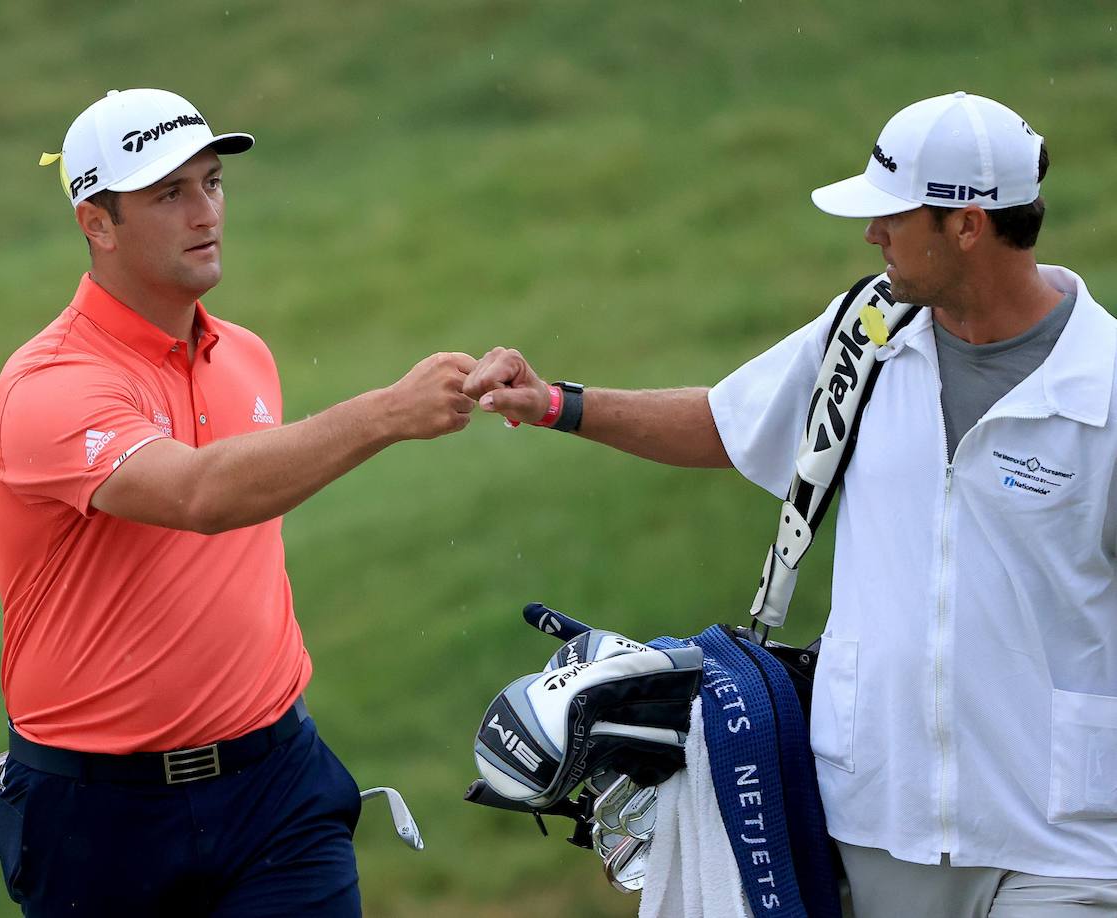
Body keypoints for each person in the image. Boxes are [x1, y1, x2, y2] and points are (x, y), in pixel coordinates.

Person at [464, 91, 1117, 917]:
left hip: (1064, 840)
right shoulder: (866, 332)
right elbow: (723, 422)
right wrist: (557, 403)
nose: (872, 234)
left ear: (966, 224)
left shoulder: (1107, 387)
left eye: (892, 214)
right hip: (881, 818)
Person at [0, 87, 475, 917]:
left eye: (211, 183)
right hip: (100, 816)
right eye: (168, 194)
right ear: (95, 223)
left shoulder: (245, 355)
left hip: (276, 788)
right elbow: (199, 494)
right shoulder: (49, 387)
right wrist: (386, 412)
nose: (204, 212)